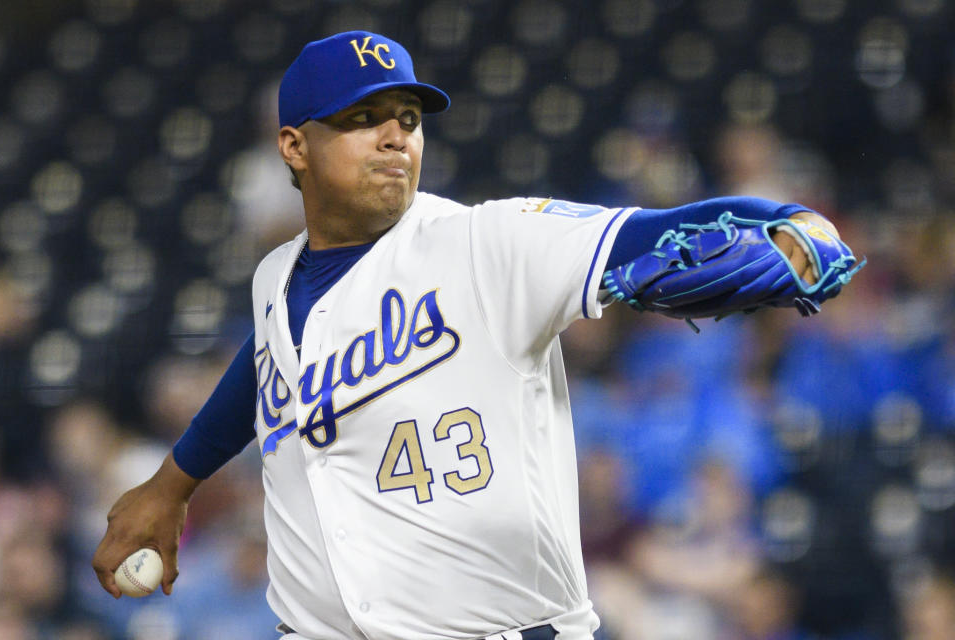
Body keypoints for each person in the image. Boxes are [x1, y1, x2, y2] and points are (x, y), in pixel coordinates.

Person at [92, 31, 848, 640]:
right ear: (294, 146)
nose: (395, 136)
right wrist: (173, 482)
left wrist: (777, 220)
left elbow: (646, 232)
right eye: (363, 118)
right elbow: (269, 364)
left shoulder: (486, 242)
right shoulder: (273, 280)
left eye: (408, 119)